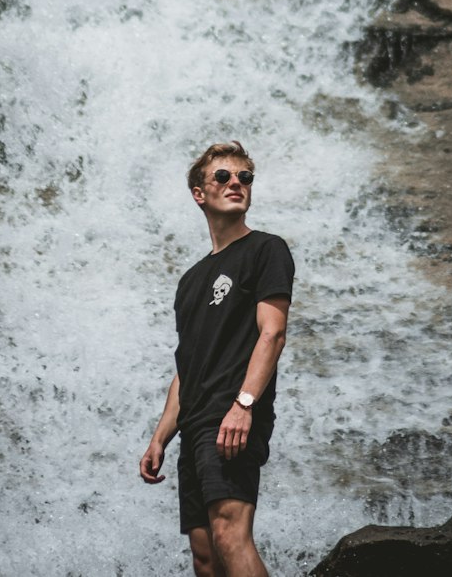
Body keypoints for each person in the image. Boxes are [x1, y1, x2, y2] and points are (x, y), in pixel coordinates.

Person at [139, 141, 294, 577]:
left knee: (230, 533)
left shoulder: (267, 250)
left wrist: (244, 405)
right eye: (223, 177)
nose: (235, 183)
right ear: (198, 193)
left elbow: (273, 333)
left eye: (244, 177)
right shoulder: (190, 280)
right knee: (205, 555)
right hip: (195, 424)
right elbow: (186, 369)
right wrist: (159, 438)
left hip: (232, 414)